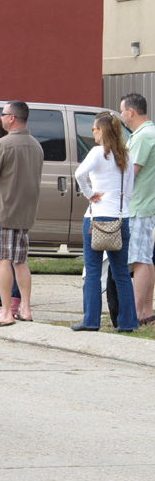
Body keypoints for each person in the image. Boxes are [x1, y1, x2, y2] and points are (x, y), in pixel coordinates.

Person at [71, 112, 137, 332]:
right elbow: (128, 191)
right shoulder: (125, 155)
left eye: (93, 129)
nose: (93, 132)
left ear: (101, 131)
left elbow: (79, 174)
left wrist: (90, 194)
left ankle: (91, 320)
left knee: (92, 270)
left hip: (96, 218)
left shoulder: (97, 152)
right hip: (120, 217)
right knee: (121, 272)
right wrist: (119, 206)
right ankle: (127, 322)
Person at [0, 100, 44, 327]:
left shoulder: (3, 144)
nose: (1, 118)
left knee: (3, 262)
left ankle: (6, 312)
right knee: (20, 262)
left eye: (3, 114)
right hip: (25, 214)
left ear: (12, 118)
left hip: (3, 212)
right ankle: (25, 309)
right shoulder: (37, 145)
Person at [119, 93, 155, 325]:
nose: (121, 115)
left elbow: (130, 174)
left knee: (139, 260)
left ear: (130, 111)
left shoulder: (142, 137)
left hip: (139, 205)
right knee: (147, 259)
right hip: (146, 205)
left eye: (121, 111)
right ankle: (147, 311)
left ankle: (137, 313)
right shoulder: (148, 133)